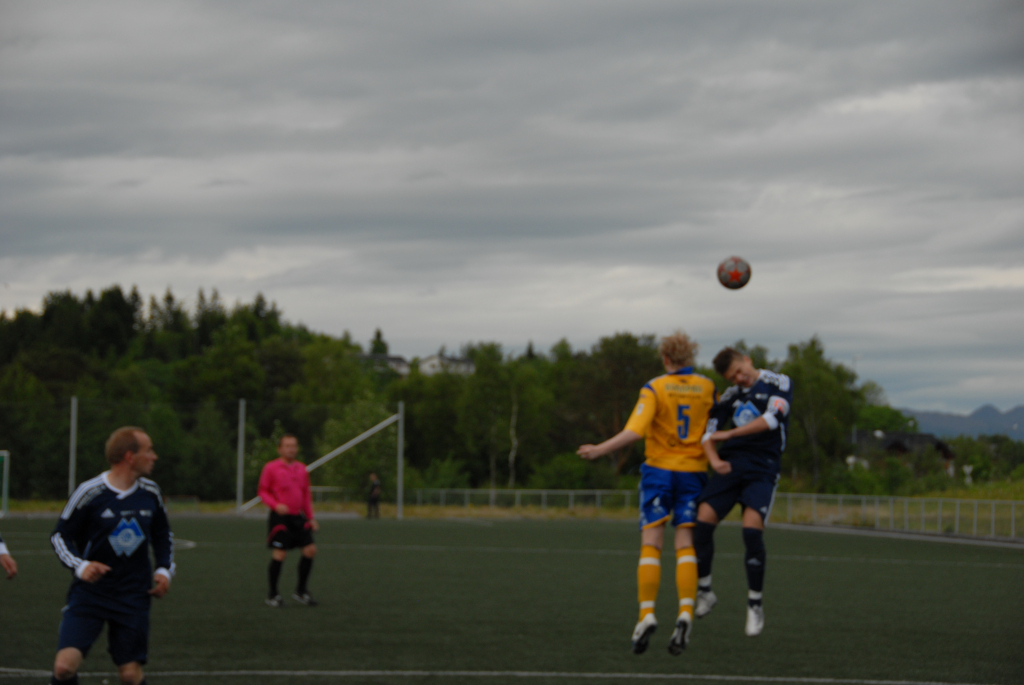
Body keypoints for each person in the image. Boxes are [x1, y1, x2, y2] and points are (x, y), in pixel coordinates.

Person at [578, 331, 717, 656]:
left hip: (659, 473)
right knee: (685, 544)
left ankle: (646, 614)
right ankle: (685, 610)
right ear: (691, 357)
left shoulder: (655, 387)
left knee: (652, 543)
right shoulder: (708, 387)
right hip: (694, 474)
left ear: (666, 359)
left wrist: (599, 449)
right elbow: (719, 425)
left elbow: (635, 431)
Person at [49, 426, 174, 685]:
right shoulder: (90, 492)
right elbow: (60, 536)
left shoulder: (150, 492)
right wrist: (81, 566)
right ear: (130, 456)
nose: (154, 456)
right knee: (63, 667)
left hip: (133, 594)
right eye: (149, 450)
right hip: (91, 593)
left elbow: (163, 535)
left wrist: (164, 569)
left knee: (129, 675)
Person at [695, 347, 793, 638]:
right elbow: (709, 432)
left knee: (751, 532)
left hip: (762, 468)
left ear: (748, 360)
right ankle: (705, 591)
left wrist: (730, 434)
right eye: (732, 377)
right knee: (701, 524)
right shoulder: (730, 395)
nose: (739, 379)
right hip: (731, 465)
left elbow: (772, 419)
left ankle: (754, 604)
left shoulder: (778, 382)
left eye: (740, 371)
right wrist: (714, 459)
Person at [258, 434, 319, 607]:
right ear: (280, 449)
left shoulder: (302, 469)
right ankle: (273, 595)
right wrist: (275, 505)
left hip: (298, 517)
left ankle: (301, 591)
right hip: (280, 518)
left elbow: (306, 495)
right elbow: (262, 491)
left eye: (294, 446)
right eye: (287, 446)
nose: (291, 449)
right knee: (280, 553)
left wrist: (311, 517)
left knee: (310, 550)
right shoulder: (271, 468)